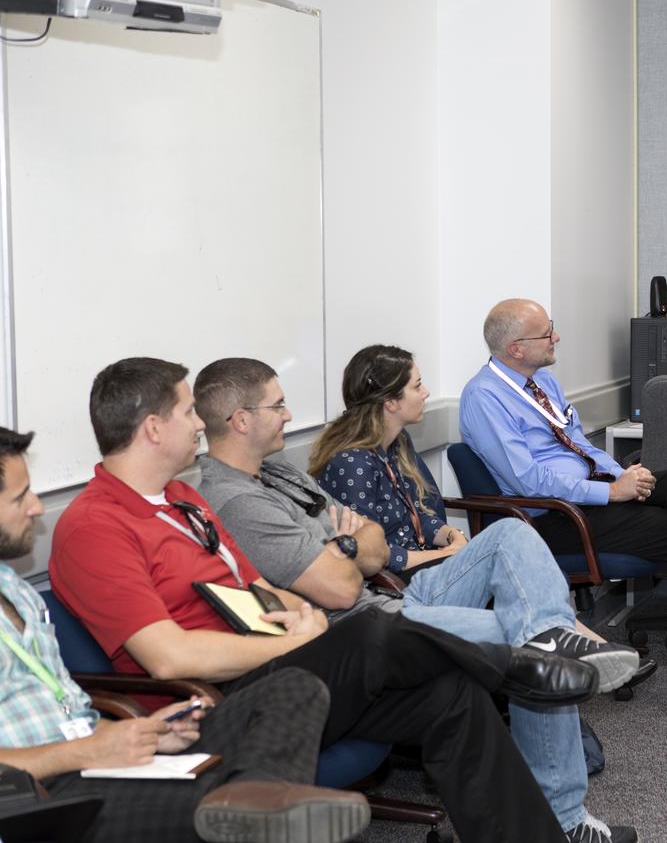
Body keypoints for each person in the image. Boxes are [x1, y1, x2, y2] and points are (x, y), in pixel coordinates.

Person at [49, 357, 599, 842]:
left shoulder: (182, 498)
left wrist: (298, 613)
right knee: (365, 629)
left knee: (451, 693)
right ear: (152, 428)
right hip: (213, 705)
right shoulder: (96, 525)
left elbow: (252, 587)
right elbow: (169, 658)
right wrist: (304, 636)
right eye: (188, 412)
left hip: (280, 666)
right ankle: (517, 665)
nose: (199, 424)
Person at [195, 355, 639, 843]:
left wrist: (350, 547)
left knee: (511, 535)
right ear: (241, 420)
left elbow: (375, 541)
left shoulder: (278, 472)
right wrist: (349, 545)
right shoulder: (238, 502)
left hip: (380, 594)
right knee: (528, 643)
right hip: (362, 623)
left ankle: (554, 636)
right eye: (277, 405)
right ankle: (565, 817)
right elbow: (344, 584)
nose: (287, 414)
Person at [0, 426, 370, 843]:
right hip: (38, 800)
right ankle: (261, 812)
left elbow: (65, 714)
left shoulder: (14, 590)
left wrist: (142, 732)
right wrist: (88, 751)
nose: (36, 507)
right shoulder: (90, 527)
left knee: (293, 688)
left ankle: (259, 804)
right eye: (19, 497)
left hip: (97, 761)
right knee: (235, 801)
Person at [460, 298, 667, 706]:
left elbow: (579, 444)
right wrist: (610, 492)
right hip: (551, 519)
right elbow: (527, 479)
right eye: (547, 333)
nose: (556, 337)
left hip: (593, 498)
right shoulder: (484, 398)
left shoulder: (543, 383)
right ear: (515, 348)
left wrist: (621, 475)